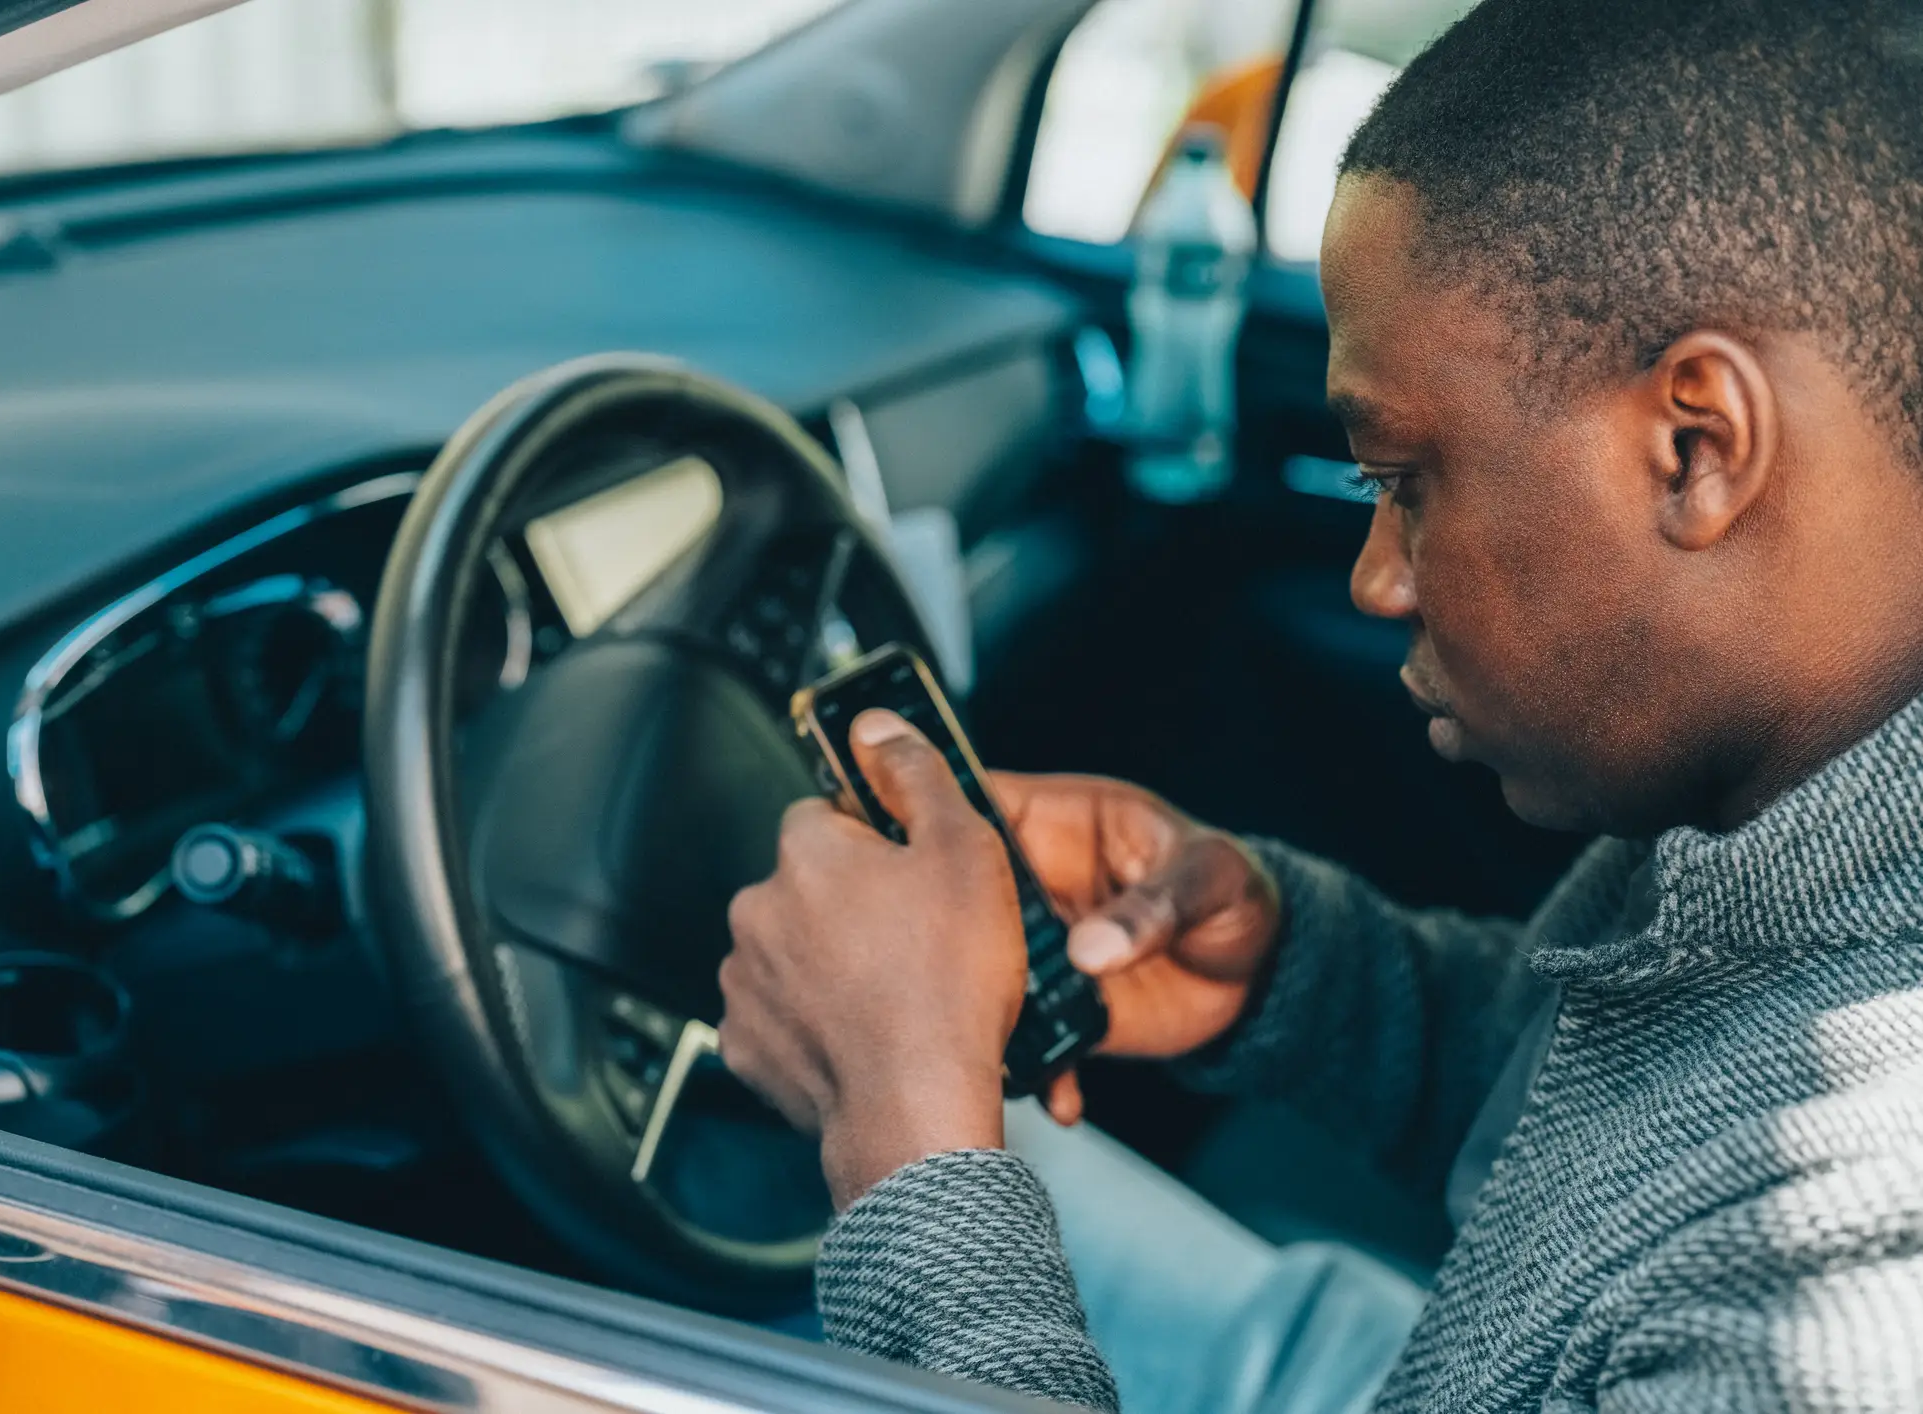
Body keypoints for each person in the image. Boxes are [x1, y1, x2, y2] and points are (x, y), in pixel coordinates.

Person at [716, 0, 1923, 1410]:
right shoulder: (1783, 828)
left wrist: (908, 1157)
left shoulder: (1842, 1309)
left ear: (1697, 444)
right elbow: (1637, 1098)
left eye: (1405, 482)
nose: (1377, 579)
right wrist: (1304, 976)